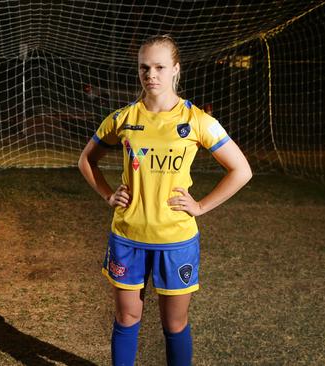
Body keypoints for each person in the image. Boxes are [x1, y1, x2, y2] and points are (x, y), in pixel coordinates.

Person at [78, 35, 252, 366]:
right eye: (145, 67)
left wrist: (200, 206)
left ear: (175, 69)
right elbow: (86, 160)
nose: (151, 74)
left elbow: (241, 170)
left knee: (174, 324)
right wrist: (107, 194)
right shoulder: (124, 118)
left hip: (175, 240)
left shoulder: (197, 121)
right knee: (127, 319)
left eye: (159, 67)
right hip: (128, 236)